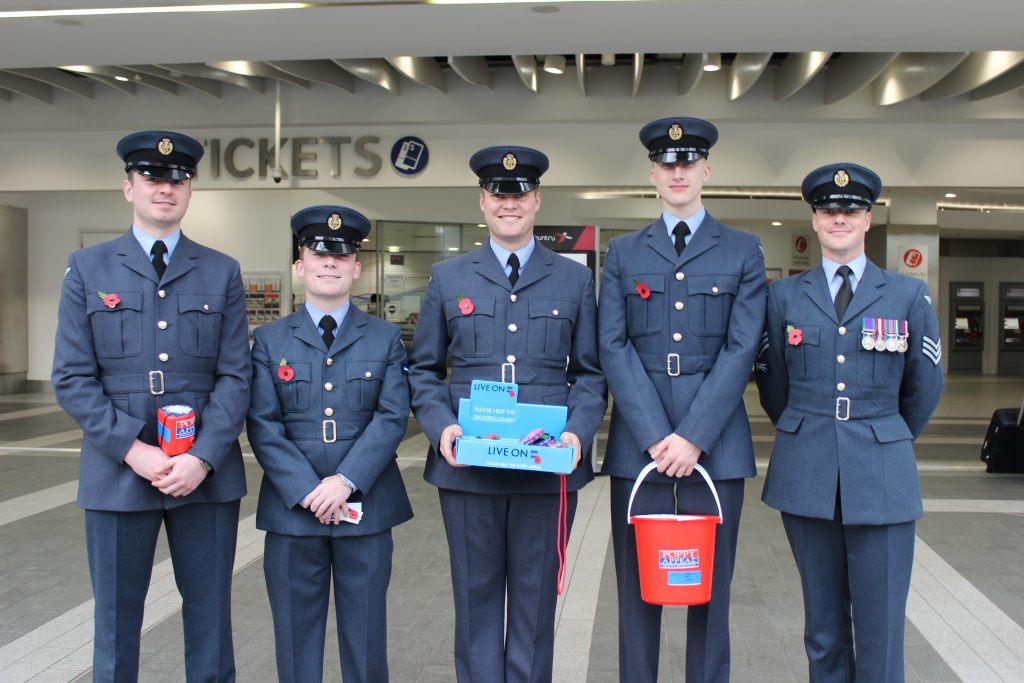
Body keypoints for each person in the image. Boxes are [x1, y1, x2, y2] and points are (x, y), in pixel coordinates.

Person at [51, 130, 250, 681]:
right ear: (128, 188)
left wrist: (203, 456)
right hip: (118, 474)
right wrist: (132, 450)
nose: (165, 188)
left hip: (203, 477)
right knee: (116, 622)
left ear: (190, 192)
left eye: (177, 180)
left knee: (210, 616)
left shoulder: (220, 270)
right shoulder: (88, 269)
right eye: (152, 179)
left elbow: (237, 376)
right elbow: (70, 376)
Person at [408, 145, 606, 683]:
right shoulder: (449, 277)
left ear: (537, 200)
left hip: (545, 469)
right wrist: (441, 425)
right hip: (469, 469)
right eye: (499, 194)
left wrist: (578, 433)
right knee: (474, 604)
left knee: (535, 607)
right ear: (482, 202)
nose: (509, 203)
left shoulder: (572, 279)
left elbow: (590, 373)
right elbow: (422, 369)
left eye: (520, 194)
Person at [755, 163, 944, 682]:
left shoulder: (906, 296)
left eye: (851, 210)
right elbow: (773, 384)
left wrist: (882, 435)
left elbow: (924, 386)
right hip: (807, 472)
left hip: (881, 472)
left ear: (867, 219)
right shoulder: (784, 297)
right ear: (814, 220)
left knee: (881, 629)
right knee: (823, 628)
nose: (839, 218)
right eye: (829, 210)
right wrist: (810, 426)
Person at [599, 117, 766, 683]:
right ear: (652, 173)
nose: (678, 172)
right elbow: (613, 345)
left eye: (688, 163)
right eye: (667, 164)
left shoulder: (744, 250)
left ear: (706, 171)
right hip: (637, 448)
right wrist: (653, 435)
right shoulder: (622, 253)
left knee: (711, 596)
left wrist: (693, 437)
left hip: (715, 448)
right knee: (636, 598)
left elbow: (742, 349)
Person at [247, 205, 413, 683]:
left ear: (357, 267)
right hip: (293, 512)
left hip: (366, 508)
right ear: (299, 266)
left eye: (341, 255)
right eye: (318, 253)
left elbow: (390, 416)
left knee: (365, 638)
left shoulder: (384, 338)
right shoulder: (270, 340)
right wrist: (308, 489)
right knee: (296, 640)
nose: (330, 263)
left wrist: (343, 482)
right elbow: (262, 422)